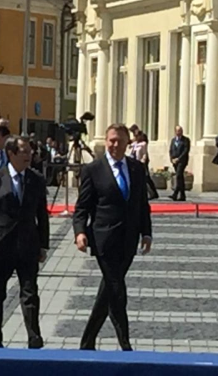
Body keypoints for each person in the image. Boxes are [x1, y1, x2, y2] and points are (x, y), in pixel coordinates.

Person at [73, 124, 152, 351]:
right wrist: (80, 232)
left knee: (109, 288)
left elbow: (142, 205)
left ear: (128, 143)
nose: (115, 145)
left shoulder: (137, 168)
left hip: (129, 239)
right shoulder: (93, 169)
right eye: (111, 140)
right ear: (106, 142)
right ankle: (125, 343)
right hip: (103, 239)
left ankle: (87, 342)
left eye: (119, 141)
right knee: (116, 286)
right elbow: (82, 208)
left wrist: (146, 233)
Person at [0, 136, 49, 349]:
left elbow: (42, 214)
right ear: (11, 154)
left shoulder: (36, 179)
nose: (28, 155)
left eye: (30, 151)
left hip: (28, 244)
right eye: (23, 151)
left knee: (30, 292)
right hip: (0, 245)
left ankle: (34, 336)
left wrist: (43, 244)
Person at [130, 132, 158, 200]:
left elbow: (144, 154)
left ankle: (152, 193)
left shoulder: (143, 144)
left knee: (145, 178)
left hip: (140, 163)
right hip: (133, 162)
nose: (135, 138)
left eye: (136, 136)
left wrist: (143, 162)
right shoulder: (134, 144)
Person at [169, 126, 191, 201]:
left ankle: (175, 193)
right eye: (178, 131)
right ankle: (182, 195)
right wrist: (172, 159)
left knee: (178, 175)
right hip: (174, 161)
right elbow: (171, 150)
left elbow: (186, 150)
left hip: (182, 161)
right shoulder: (173, 140)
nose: (179, 132)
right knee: (180, 177)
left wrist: (179, 158)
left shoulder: (186, 140)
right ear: (175, 131)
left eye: (180, 130)